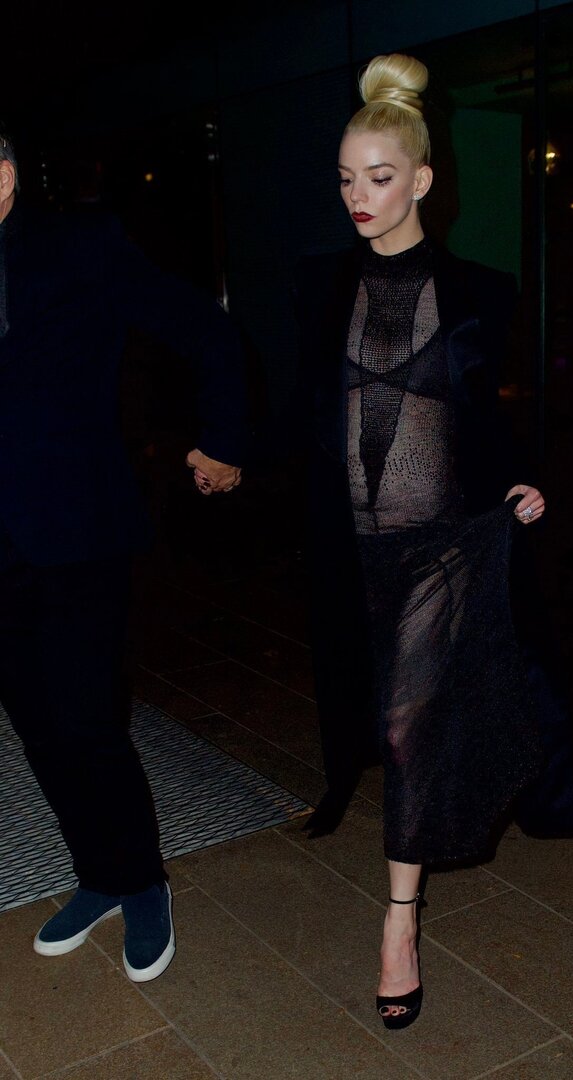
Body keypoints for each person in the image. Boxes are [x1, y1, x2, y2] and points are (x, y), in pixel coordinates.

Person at [294, 54, 573, 1030]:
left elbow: (504, 411)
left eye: (378, 177)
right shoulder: (316, 288)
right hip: (350, 548)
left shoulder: (480, 292)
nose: (358, 197)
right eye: (345, 178)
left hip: (440, 546)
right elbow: (303, 414)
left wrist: (525, 477)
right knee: (366, 716)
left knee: (407, 727)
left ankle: (398, 925)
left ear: (420, 179)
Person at [0, 127, 248, 981]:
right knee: (36, 728)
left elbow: (204, 330)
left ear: (3, 174)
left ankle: (142, 882)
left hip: (77, 531)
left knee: (87, 723)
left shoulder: (80, 244)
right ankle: (98, 875)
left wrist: (225, 439)